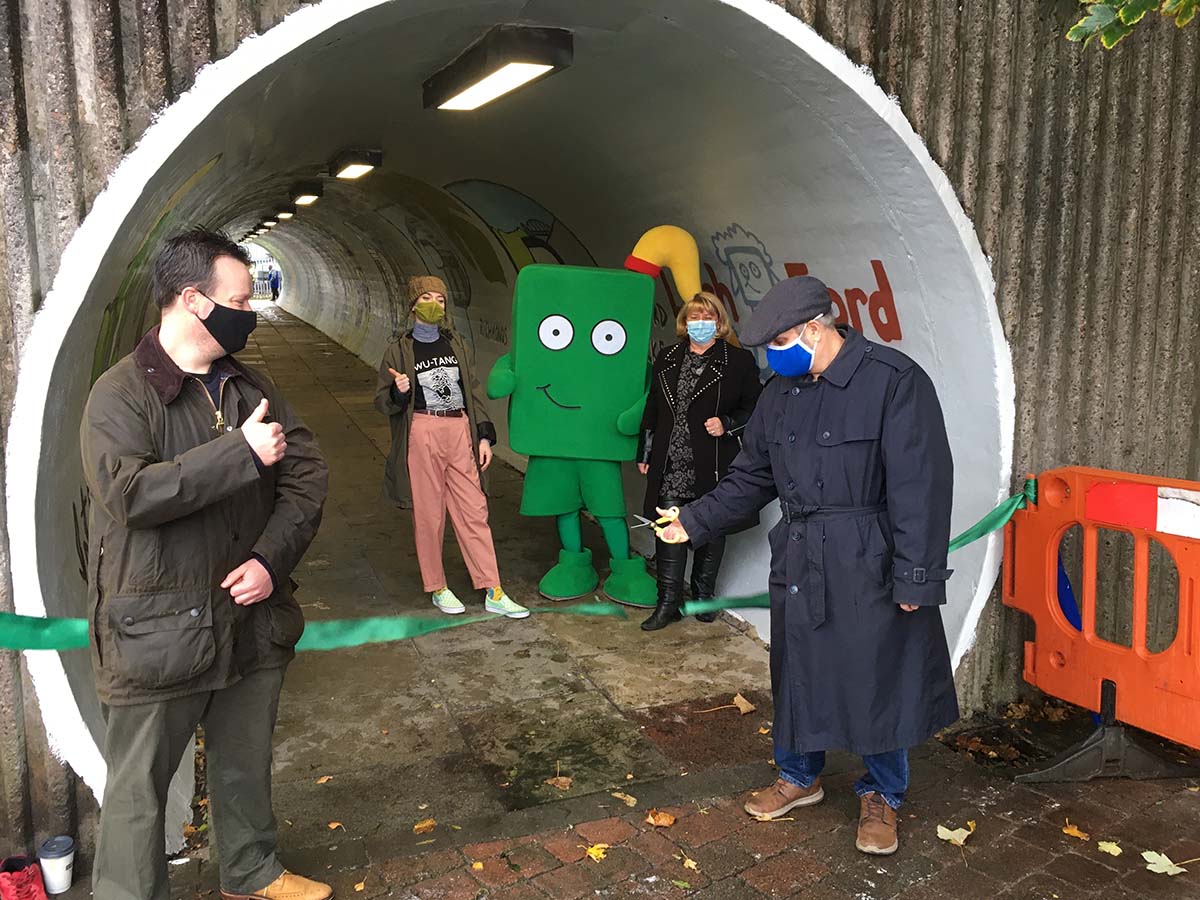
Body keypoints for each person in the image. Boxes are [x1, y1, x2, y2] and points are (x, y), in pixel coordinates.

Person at [658, 275, 958, 857]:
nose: (773, 355)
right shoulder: (781, 392)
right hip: (799, 551)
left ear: (815, 330)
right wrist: (694, 520)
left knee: (877, 671)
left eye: (779, 343)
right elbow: (753, 476)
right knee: (797, 667)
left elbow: (921, 487)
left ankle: (882, 794)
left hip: (868, 551)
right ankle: (799, 776)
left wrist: (916, 575)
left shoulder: (894, 382)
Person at [80, 228, 331, 900]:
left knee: (245, 763)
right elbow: (129, 494)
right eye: (240, 300)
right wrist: (240, 455)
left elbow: (307, 477)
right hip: (159, 630)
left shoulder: (249, 386)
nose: (248, 313)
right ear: (192, 300)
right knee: (138, 793)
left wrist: (269, 562)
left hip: (249, 616)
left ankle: (251, 872)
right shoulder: (121, 395)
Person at [375, 275, 528, 618]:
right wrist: (398, 391)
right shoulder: (399, 349)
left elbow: (471, 389)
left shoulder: (455, 343)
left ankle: (493, 588)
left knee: (474, 510)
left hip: (459, 427)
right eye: (427, 298)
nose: (435, 305)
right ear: (413, 305)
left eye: (441, 300)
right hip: (423, 429)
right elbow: (382, 403)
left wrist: (484, 435)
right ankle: (438, 587)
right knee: (429, 515)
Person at [636, 291, 761, 631]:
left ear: (719, 323)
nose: (700, 324)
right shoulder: (668, 356)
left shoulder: (738, 362)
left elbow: (756, 408)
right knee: (667, 528)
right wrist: (645, 451)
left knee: (710, 525)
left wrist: (728, 423)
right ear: (684, 322)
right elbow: (653, 407)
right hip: (671, 458)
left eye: (707, 318)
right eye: (693, 317)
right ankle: (668, 603)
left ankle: (703, 595)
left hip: (712, 458)